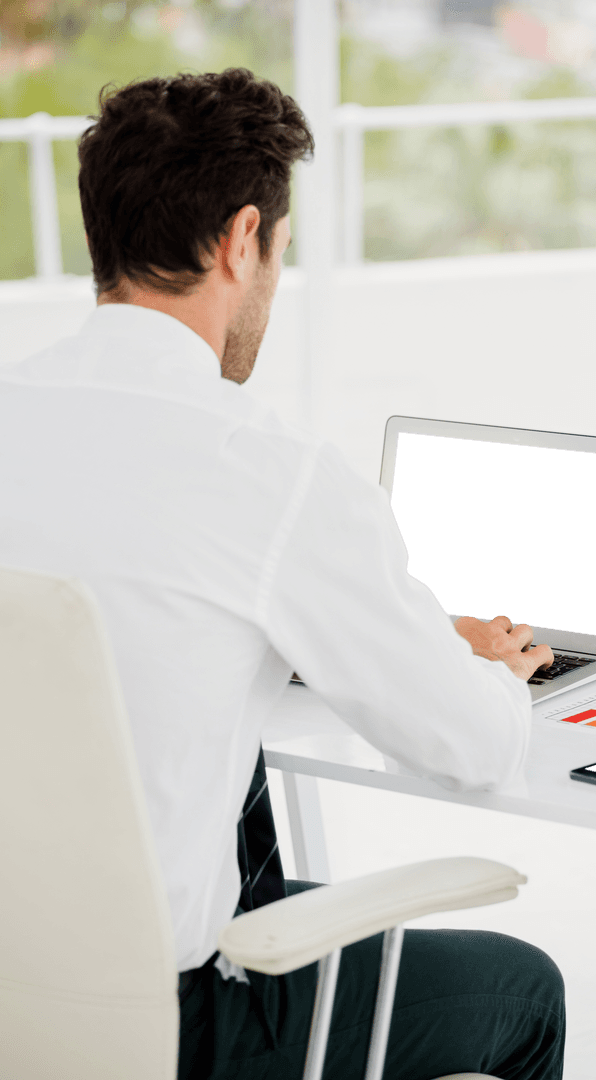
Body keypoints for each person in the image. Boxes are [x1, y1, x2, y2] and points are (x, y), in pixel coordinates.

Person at [0, 69, 565, 1079]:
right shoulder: (268, 470)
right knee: (523, 991)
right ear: (241, 239)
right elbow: (471, 749)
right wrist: (490, 674)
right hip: (167, 1026)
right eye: (278, 256)